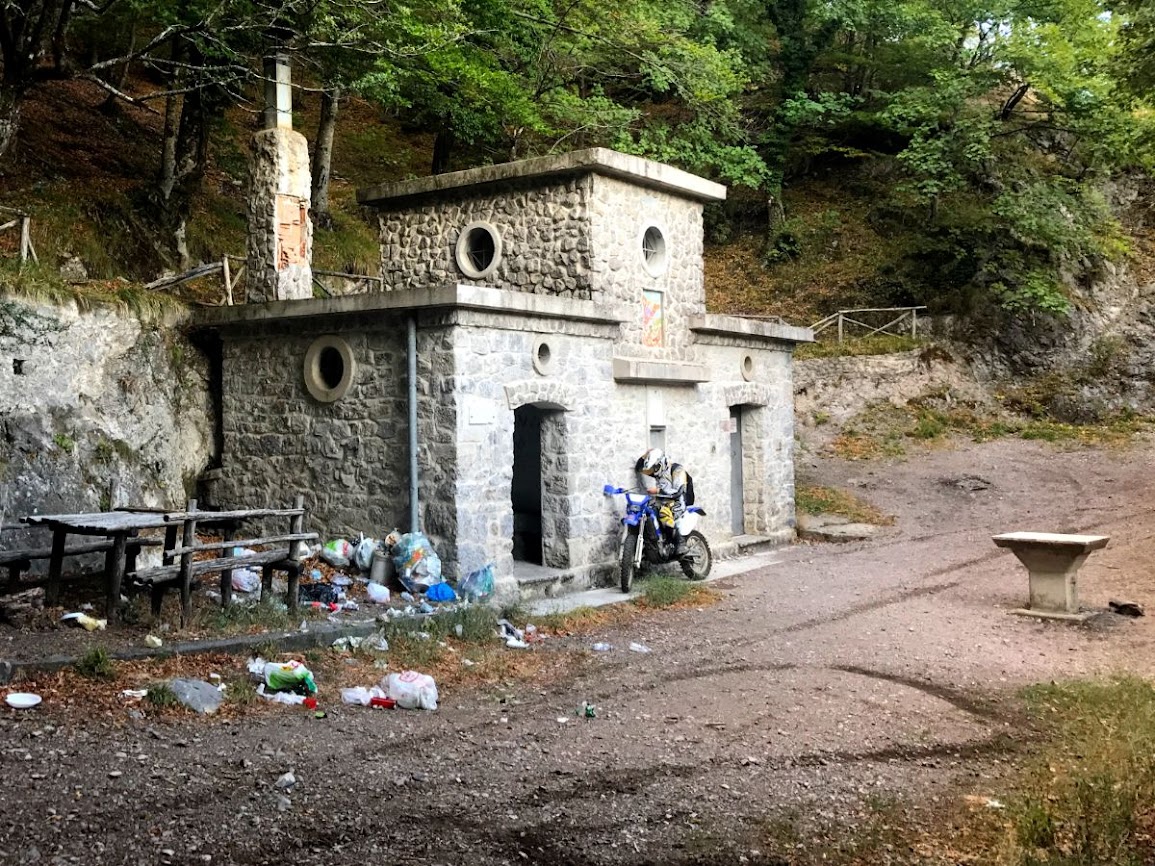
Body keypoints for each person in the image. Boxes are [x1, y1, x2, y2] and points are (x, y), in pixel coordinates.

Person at [635, 447, 690, 556]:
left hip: (677, 502)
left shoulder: (677, 470)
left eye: (656, 467)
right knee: (648, 513)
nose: (654, 471)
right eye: (654, 468)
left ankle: (680, 543)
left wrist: (658, 490)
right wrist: (646, 455)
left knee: (664, 513)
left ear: (662, 461)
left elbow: (678, 491)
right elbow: (639, 468)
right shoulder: (658, 470)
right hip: (661, 502)